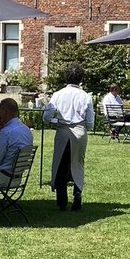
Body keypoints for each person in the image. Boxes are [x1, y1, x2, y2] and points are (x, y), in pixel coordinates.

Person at [44, 67, 95, 210]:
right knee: (78, 164)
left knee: (61, 164)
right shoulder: (85, 96)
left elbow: (46, 117)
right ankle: (77, 194)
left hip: (62, 132)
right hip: (79, 132)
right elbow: (90, 123)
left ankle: (62, 200)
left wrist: (57, 121)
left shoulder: (58, 94)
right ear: (80, 78)